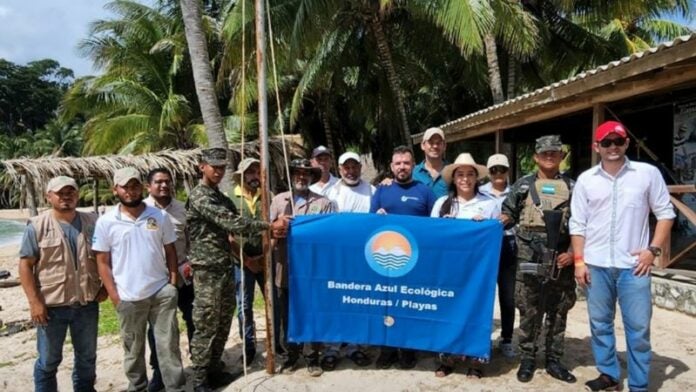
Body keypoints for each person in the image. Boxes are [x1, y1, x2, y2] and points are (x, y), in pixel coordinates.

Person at [570, 121, 675, 392]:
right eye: (606, 142)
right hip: (596, 264)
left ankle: (638, 385)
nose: (613, 147)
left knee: (638, 329)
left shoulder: (647, 173)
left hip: (634, 266)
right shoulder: (586, 180)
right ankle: (609, 376)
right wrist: (579, 261)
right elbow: (578, 224)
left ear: (627, 143)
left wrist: (652, 251)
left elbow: (665, 213)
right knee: (600, 324)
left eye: (618, 141)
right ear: (597, 147)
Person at [186, 148, 289, 392]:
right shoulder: (200, 196)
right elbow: (232, 223)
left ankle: (214, 369)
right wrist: (268, 226)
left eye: (222, 167)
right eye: (214, 166)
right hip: (207, 269)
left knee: (223, 321)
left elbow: (233, 226)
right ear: (202, 167)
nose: (218, 171)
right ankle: (200, 377)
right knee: (207, 322)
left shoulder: (220, 197)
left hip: (224, 266)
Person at [92, 167, 186, 392]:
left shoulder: (158, 216)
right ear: (115, 189)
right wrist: (115, 297)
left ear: (141, 187)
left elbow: (170, 250)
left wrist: (172, 284)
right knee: (133, 351)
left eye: (134, 186)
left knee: (168, 346)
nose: (130, 191)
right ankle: (138, 387)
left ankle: (175, 387)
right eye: (125, 186)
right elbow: (102, 262)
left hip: (161, 293)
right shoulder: (106, 222)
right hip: (128, 297)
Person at [501, 135, 577, 384]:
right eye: (544, 153)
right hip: (528, 256)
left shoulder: (574, 187)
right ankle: (528, 358)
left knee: (558, 309)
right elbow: (508, 214)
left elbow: (583, 224)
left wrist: (574, 253)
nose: (549, 156)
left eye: (554, 152)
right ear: (535, 157)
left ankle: (554, 359)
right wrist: (491, 223)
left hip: (561, 258)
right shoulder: (522, 186)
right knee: (529, 309)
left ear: (561, 156)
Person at [18, 176, 104, 392]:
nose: (66, 196)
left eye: (71, 192)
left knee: (87, 359)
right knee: (48, 361)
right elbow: (26, 265)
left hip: (86, 304)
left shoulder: (92, 222)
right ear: (49, 196)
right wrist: (34, 302)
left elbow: (106, 256)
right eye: (60, 193)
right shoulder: (37, 226)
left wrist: (104, 287)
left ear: (77, 194)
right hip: (51, 307)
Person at [430, 153, 499, 378]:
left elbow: (496, 236)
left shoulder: (489, 204)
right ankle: (446, 359)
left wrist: (484, 227)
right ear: (454, 178)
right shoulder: (442, 204)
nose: (465, 179)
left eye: (470, 174)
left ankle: (475, 362)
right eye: (461, 174)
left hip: (477, 273)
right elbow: (431, 237)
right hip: (448, 271)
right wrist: (443, 226)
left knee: (476, 312)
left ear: (476, 178)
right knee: (446, 312)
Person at [370, 145, 436, 370]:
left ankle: (407, 350)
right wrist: (377, 218)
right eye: (397, 163)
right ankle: (386, 350)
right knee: (385, 305)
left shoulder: (425, 191)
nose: (402, 167)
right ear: (391, 166)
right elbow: (369, 225)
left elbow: (435, 227)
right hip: (386, 259)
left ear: (413, 165)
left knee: (408, 305)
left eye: (406, 163)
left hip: (415, 260)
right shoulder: (382, 191)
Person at [271, 158, 336, 376]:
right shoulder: (278, 201)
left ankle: (312, 357)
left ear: (311, 177)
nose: (301, 176)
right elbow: (267, 235)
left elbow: (328, 237)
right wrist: (277, 227)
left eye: (306, 173)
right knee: (287, 316)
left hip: (312, 271)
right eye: (297, 172)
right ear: (291, 175)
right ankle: (291, 356)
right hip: (285, 268)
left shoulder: (324, 203)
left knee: (312, 313)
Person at [321, 152, 375, 370]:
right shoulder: (330, 192)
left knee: (358, 300)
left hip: (364, 257)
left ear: (360, 168)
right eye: (346, 167)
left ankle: (354, 346)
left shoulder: (372, 191)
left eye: (354, 167)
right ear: (340, 168)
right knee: (335, 300)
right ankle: (332, 347)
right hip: (337, 257)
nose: (350, 171)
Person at [143, 168, 194, 392]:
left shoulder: (182, 209)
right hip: (156, 280)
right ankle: (159, 372)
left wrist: (190, 263)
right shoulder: (141, 211)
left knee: (194, 320)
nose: (164, 186)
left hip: (184, 277)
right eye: (158, 182)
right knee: (158, 329)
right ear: (149, 186)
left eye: (167, 182)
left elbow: (192, 241)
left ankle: (199, 363)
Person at [228, 158, 266, 367]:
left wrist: (263, 257)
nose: (254, 176)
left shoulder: (266, 196)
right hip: (241, 262)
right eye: (249, 172)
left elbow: (271, 228)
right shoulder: (230, 199)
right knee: (244, 306)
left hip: (265, 260)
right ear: (241, 175)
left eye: (256, 172)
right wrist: (248, 260)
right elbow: (229, 237)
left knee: (273, 303)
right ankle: (249, 347)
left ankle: (277, 342)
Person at [480, 153, 517, 360]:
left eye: (501, 169)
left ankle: (507, 338)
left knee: (508, 296)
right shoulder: (480, 192)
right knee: (484, 294)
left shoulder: (517, 192)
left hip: (508, 245)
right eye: (493, 170)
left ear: (507, 170)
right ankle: (483, 337)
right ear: (488, 172)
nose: (498, 174)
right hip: (485, 248)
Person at [413, 127, 449, 198]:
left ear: (444, 146)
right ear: (423, 145)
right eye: (431, 143)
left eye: (438, 143)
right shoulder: (413, 173)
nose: (435, 146)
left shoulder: (453, 172)